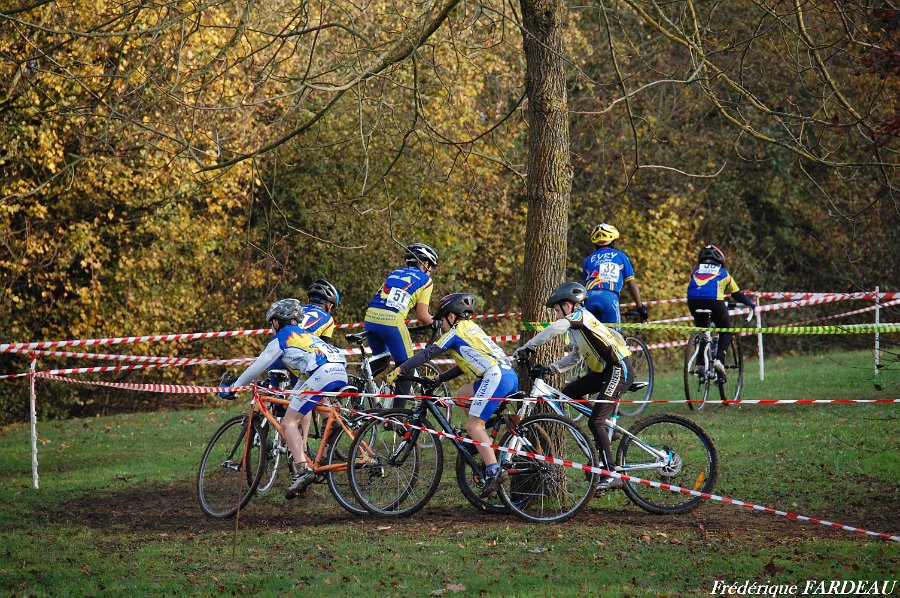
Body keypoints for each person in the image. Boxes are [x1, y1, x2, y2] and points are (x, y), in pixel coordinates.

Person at [219, 298, 348, 499]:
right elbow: (303, 377)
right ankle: (328, 438)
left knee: (289, 423)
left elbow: (256, 367)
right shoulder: (305, 335)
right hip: (338, 370)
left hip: (322, 373)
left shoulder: (282, 337)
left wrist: (234, 387)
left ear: (277, 322)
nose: (271, 328)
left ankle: (303, 469)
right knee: (298, 408)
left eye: (271, 323)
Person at [393, 293, 519, 498]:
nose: (442, 325)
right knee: (462, 395)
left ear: (451, 316)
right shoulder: (472, 328)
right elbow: (463, 364)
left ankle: (493, 470)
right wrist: (439, 378)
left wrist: (401, 369)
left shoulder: (455, 332)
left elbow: (428, 353)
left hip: (495, 376)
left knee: (474, 425)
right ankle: (481, 440)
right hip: (508, 375)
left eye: (442, 320)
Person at [513, 282, 634, 491]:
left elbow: (555, 329)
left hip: (618, 369)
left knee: (595, 422)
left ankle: (612, 473)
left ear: (568, 305)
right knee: (568, 394)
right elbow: (576, 358)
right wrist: (550, 369)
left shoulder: (580, 316)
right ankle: (604, 428)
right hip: (602, 372)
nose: (556, 315)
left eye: (557, 310)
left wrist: (528, 347)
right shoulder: (578, 328)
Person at [364, 243, 438, 408]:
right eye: (431, 267)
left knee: (382, 360)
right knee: (407, 366)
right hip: (392, 321)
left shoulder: (395, 273)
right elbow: (422, 315)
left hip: (370, 317)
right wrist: (436, 322)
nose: (430, 271)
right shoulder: (426, 280)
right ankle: (398, 416)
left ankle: (357, 384)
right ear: (425, 263)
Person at [686, 244, 757, 381]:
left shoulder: (695, 271)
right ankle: (719, 360)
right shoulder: (723, 272)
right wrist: (750, 303)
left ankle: (700, 364)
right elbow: (737, 294)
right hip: (714, 301)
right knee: (726, 330)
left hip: (693, 301)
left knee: (702, 329)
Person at [582, 223, 649, 327]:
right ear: (613, 242)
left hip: (589, 297)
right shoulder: (621, 256)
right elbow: (631, 284)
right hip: (609, 297)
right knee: (614, 335)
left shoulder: (588, 260)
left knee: (592, 334)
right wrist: (640, 307)